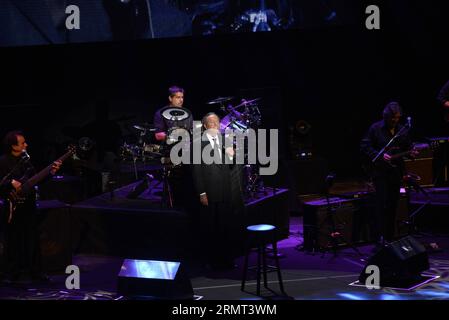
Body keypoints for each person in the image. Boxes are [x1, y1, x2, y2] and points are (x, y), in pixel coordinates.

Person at [0, 131, 61, 283]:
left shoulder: (26, 161)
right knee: (13, 240)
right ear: (13, 146)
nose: (26, 145)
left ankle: (36, 272)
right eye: (22, 143)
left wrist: (51, 173)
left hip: (28, 206)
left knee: (32, 239)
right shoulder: (3, 161)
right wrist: (10, 183)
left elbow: (35, 181)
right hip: (11, 208)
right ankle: (12, 273)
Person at [192, 113, 245, 270]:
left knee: (225, 226)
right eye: (211, 122)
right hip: (209, 191)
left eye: (217, 122)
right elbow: (196, 171)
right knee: (210, 227)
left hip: (224, 190)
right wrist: (201, 193)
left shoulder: (225, 140)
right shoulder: (197, 144)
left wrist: (232, 155)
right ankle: (210, 260)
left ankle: (226, 258)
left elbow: (230, 164)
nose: (215, 125)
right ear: (206, 126)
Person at [360, 102, 418, 245]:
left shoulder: (402, 130)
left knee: (393, 204)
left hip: (396, 172)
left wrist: (412, 153)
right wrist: (379, 155)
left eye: (397, 118)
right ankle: (379, 236)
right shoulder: (375, 128)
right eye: (392, 118)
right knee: (381, 203)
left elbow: (408, 147)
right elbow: (364, 145)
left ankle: (389, 237)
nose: (395, 121)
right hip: (379, 172)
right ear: (386, 116)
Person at [152, 86, 194, 209]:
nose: (181, 100)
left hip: (187, 148)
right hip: (169, 149)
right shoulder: (161, 113)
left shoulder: (188, 113)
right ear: (170, 98)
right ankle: (176, 202)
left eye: (182, 97)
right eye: (177, 97)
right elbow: (158, 135)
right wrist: (175, 136)